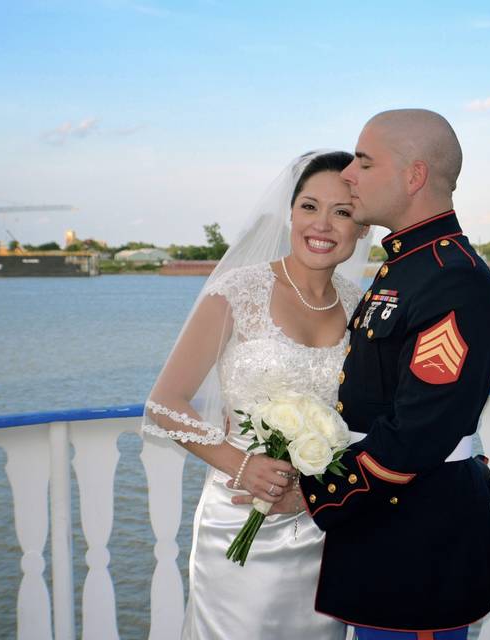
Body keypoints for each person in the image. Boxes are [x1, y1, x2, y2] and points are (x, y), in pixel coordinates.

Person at [297, 110, 490, 638]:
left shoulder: (452, 280)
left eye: (365, 163)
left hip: (418, 546)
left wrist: (316, 492)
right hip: (388, 531)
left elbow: (420, 433)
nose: (349, 173)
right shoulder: (406, 266)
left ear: (414, 176)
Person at [141, 150, 372, 640]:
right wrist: (242, 464)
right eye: (309, 206)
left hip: (319, 520)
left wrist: (320, 492)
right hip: (238, 514)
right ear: (289, 212)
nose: (323, 225)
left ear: (362, 228)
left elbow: (370, 420)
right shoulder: (237, 291)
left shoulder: (360, 308)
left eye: (343, 211)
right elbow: (165, 403)